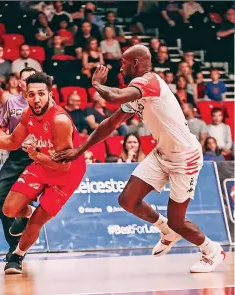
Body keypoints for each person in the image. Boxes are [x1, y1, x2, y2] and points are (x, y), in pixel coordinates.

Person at [53, 44, 226, 273]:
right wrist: (80, 149)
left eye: (123, 64)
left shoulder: (149, 81)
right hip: (162, 152)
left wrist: (96, 84)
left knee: (178, 220)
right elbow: (110, 124)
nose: (120, 69)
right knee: (127, 200)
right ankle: (165, 229)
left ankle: (212, 250)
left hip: (185, 157)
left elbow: (113, 96)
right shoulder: (137, 92)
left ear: (135, 63)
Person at [0, 72, 86, 274]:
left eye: (41, 94)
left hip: (66, 174)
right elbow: (12, 142)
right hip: (41, 162)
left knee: (38, 221)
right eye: (31, 94)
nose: (36, 99)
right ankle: (29, 213)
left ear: (50, 94)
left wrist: (37, 156)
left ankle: (17, 255)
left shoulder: (59, 121)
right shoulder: (27, 115)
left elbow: (63, 166)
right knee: (9, 210)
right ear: (25, 94)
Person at [0, 67, 37, 272]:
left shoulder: (45, 105)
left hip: (36, 158)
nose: (28, 83)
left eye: (32, 79)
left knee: (24, 201)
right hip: (16, 155)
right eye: (25, 80)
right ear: (19, 83)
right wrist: (6, 142)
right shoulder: (11, 102)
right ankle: (13, 242)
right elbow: (1, 128)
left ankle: (17, 253)